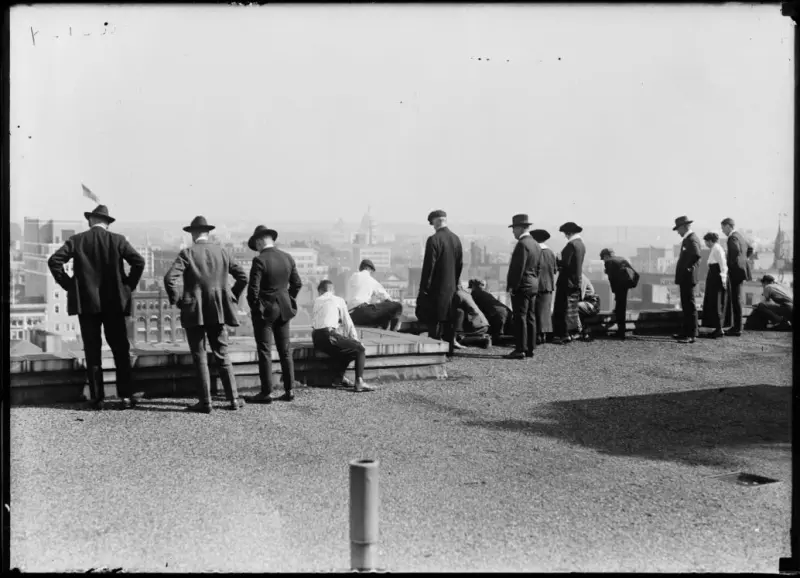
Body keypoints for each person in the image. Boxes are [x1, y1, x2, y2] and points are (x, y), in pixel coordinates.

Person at [48, 205, 145, 410]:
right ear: (107, 223)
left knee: (92, 351)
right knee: (120, 349)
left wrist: (70, 286)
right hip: (114, 305)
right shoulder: (118, 240)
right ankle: (126, 396)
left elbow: (54, 261)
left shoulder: (77, 240)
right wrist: (127, 287)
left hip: (87, 304)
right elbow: (139, 262)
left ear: (91, 220)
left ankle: (97, 398)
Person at [164, 216, 248, 413]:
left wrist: (177, 299)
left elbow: (169, 279)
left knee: (199, 356)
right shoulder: (223, 252)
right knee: (222, 354)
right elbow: (243, 276)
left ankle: (205, 402)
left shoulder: (187, 253)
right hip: (218, 310)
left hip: (194, 310)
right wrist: (230, 296)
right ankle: (234, 399)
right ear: (208, 233)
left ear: (193, 234)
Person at [245, 225, 302, 404]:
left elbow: (252, 290)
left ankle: (266, 392)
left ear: (261, 241)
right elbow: (297, 283)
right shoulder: (287, 257)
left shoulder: (260, 260)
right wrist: (287, 299)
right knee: (285, 351)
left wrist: (256, 308)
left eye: (256, 244)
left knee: (265, 351)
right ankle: (290, 389)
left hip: (266, 310)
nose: (257, 248)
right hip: (284, 309)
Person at [312, 280, 375, 392]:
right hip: (329, 335)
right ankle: (359, 382)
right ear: (332, 289)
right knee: (359, 349)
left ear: (321, 291)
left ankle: (339, 378)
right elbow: (348, 323)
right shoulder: (338, 300)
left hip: (316, 338)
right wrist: (356, 341)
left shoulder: (317, 301)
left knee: (347, 352)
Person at [416, 209, 463, 356]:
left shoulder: (434, 240)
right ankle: (449, 352)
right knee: (449, 321)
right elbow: (459, 265)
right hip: (451, 288)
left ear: (435, 222)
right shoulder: (456, 239)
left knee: (434, 322)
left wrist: (424, 289)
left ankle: (434, 353)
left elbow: (429, 267)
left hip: (436, 289)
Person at [505, 214, 541, 359]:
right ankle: (530, 348)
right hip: (533, 284)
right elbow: (539, 267)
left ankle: (520, 348)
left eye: (514, 229)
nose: (513, 232)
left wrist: (512, 286)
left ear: (519, 228)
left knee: (520, 317)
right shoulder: (535, 243)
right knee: (531, 316)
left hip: (522, 285)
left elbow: (517, 268)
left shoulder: (522, 244)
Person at [552, 222, 586, 345]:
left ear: (569, 233)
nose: (565, 236)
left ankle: (563, 334)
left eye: (565, 234)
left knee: (562, 308)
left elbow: (565, 262)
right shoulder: (581, 244)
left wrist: (557, 259)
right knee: (572, 308)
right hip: (575, 281)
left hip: (566, 281)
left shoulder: (571, 245)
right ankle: (571, 332)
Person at [347, 259, 403, 330]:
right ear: (368, 268)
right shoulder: (370, 279)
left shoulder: (351, 278)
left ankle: (382, 326)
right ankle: (392, 332)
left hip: (351, 316)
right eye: (371, 272)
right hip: (362, 312)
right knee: (397, 306)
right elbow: (386, 298)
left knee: (378, 311)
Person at [672, 216, 702, 344]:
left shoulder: (691, 239)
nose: (678, 232)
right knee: (686, 304)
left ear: (684, 227)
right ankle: (686, 331)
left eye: (679, 229)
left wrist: (688, 268)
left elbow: (696, 254)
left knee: (689, 305)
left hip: (688, 278)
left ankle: (691, 334)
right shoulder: (688, 239)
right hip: (686, 277)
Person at [721, 217, 753, 337]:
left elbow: (734, 252)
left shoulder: (732, 238)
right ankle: (737, 327)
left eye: (723, 228)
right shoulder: (740, 236)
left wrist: (732, 265)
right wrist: (744, 260)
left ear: (728, 226)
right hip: (741, 271)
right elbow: (750, 248)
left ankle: (737, 328)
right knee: (737, 298)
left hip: (735, 272)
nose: (723, 231)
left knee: (736, 299)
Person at [600, 248, 638, 340]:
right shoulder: (621, 259)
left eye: (603, 258)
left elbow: (612, 278)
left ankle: (621, 333)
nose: (603, 261)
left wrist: (614, 290)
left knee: (620, 309)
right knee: (621, 306)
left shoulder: (609, 262)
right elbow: (633, 272)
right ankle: (621, 331)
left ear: (606, 256)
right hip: (626, 284)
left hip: (619, 286)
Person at [700, 232, 728, 339]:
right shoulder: (715, 248)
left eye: (706, 241)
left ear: (710, 241)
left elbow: (723, 265)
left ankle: (719, 328)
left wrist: (723, 279)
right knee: (713, 302)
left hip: (716, 277)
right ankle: (717, 328)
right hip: (714, 276)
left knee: (716, 302)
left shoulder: (717, 249)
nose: (706, 244)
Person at [532, 229, 557, 344]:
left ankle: (537, 335)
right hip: (548, 285)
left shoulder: (535, 252)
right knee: (545, 311)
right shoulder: (550, 252)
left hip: (536, 284)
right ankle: (544, 334)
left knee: (535, 311)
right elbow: (555, 269)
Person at [577, 274, 601, 340]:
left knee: (575, 307)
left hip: (592, 305)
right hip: (588, 304)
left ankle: (580, 331)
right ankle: (583, 330)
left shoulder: (581, 278)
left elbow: (581, 296)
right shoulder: (579, 276)